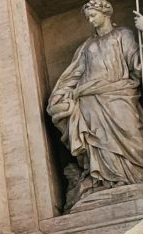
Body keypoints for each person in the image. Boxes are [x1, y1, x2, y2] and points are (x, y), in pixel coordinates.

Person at [48, 1, 143, 200]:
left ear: (105, 12)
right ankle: (107, 180)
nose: (91, 20)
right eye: (88, 17)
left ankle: (135, 177)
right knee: (98, 141)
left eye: (93, 15)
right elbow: (74, 74)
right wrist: (60, 95)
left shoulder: (123, 35)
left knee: (131, 133)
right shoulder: (87, 46)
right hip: (89, 100)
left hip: (120, 95)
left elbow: (137, 65)